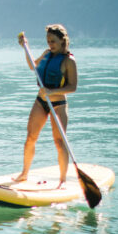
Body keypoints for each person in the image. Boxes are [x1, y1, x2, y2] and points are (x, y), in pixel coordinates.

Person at [13, 25, 78, 188]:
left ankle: (62, 181)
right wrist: (25, 48)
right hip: (41, 101)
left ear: (62, 41)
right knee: (30, 138)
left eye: (53, 41)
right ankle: (24, 173)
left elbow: (72, 87)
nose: (50, 44)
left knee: (58, 142)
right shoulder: (47, 53)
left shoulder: (69, 61)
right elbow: (33, 66)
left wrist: (52, 91)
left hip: (58, 104)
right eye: (48, 41)